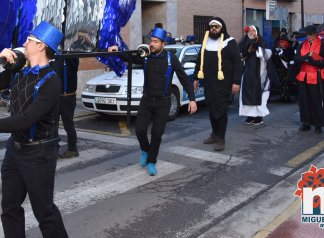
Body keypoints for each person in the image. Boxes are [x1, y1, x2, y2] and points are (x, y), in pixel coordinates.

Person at [0, 21, 68, 238]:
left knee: (44, 212)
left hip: (40, 154)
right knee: (9, 208)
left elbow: (26, 120)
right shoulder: (18, 72)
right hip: (15, 152)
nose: (24, 44)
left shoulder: (52, 82)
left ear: (41, 46)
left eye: (29, 40)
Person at [108, 27, 197, 176]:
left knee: (157, 134)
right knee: (140, 130)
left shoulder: (171, 58)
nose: (152, 44)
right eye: (151, 41)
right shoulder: (146, 56)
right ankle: (145, 149)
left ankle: (151, 161)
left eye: (155, 41)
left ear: (163, 44)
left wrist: (192, 100)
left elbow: (184, 79)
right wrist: (117, 50)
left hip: (163, 103)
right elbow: (129, 57)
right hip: (147, 101)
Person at [193, 17, 242, 151]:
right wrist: (196, 77)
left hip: (223, 83)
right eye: (212, 26)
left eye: (217, 26)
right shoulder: (206, 41)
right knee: (211, 107)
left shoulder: (230, 42)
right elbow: (199, 60)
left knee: (220, 109)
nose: (214, 29)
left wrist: (236, 82)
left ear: (222, 28)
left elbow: (238, 63)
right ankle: (214, 134)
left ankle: (221, 138)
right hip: (208, 82)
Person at [294, 25, 324, 134]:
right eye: (307, 34)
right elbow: (296, 58)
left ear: (315, 34)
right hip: (304, 76)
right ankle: (306, 122)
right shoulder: (301, 46)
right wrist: (305, 58)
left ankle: (318, 124)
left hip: (317, 75)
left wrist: (317, 62)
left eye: (310, 34)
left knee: (317, 101)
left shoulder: (323, 45)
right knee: (304, 100)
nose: (308, 36)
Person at [238, 26, 272, 125]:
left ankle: (258, 116)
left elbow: (267, 54)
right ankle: (249, 116)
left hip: (259, 72)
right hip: (248, 72)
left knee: (259, 94)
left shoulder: (261, 42)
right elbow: (241, 55)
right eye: (250, 31)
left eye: (253, 30)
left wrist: (256, 47)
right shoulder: (244, 43)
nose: (251, 32)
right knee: (247, 94)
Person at [55, 57, 80, 158]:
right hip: (55, 97)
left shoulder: (71, 58)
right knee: (53, 125)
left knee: (68, 125)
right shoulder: (55, 57)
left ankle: (73, 150)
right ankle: (54, 150)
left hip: (68, 97)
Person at [271, 36, 295, 102]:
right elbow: (272, 59)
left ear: (286, 43)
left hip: (286, 69)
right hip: (277, 69)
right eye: (280, 42)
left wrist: (282, 56)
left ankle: (286, 96)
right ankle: (278, 96)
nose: (282, 44)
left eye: (283, 42)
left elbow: (291, 59)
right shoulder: (275, 50)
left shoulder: (290, 50)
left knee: (286, 83)